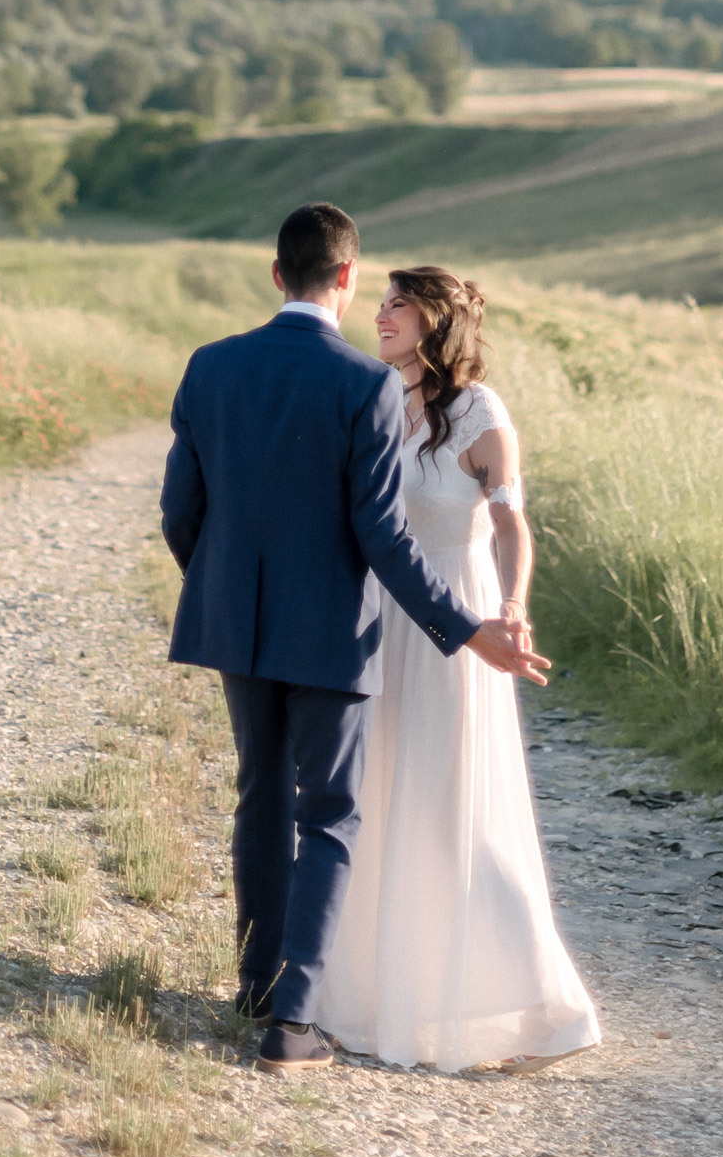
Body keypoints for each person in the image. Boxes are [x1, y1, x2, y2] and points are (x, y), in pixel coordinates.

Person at [160, 202, 551, 1074]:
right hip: (335, 631)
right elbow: (380, 535)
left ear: (276, 275)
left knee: (259, 798)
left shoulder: (209, 365)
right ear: (343, 277)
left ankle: (256, 985)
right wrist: (466, 631)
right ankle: (290, 1024)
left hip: (239, 628)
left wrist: (226, 588)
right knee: (328, 814)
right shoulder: (363, 385)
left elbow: (179, 512)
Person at [313, 265, 600, 1073]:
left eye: (398, 303)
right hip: (378, 619)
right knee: (373, 795)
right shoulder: (374, 396)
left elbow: (510, 523)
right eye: (382, 301)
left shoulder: (481, 412)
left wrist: (511, 604)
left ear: (436, 320)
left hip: (455, 622)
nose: (380, 313)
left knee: (446, 805)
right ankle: (372, 997)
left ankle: (548, 1005)